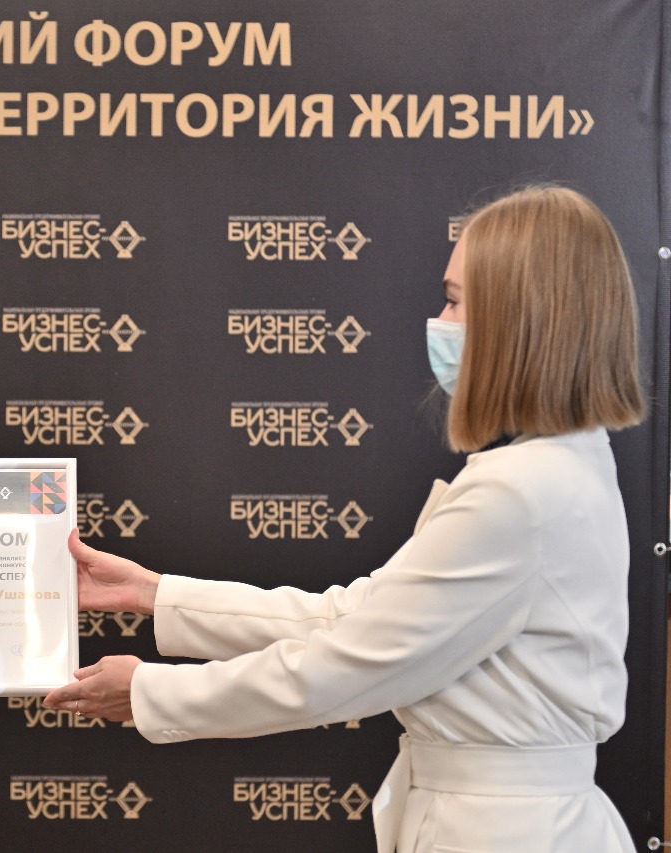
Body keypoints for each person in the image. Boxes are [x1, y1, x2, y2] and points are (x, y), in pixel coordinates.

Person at [44, 185, 644, 852]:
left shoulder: (516, 493)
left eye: (454, 301)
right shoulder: (564, 466)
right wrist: (154, 594)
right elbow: (357, 618)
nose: (439, 320)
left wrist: (150, 693)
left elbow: (344, 666)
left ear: (517, 322)